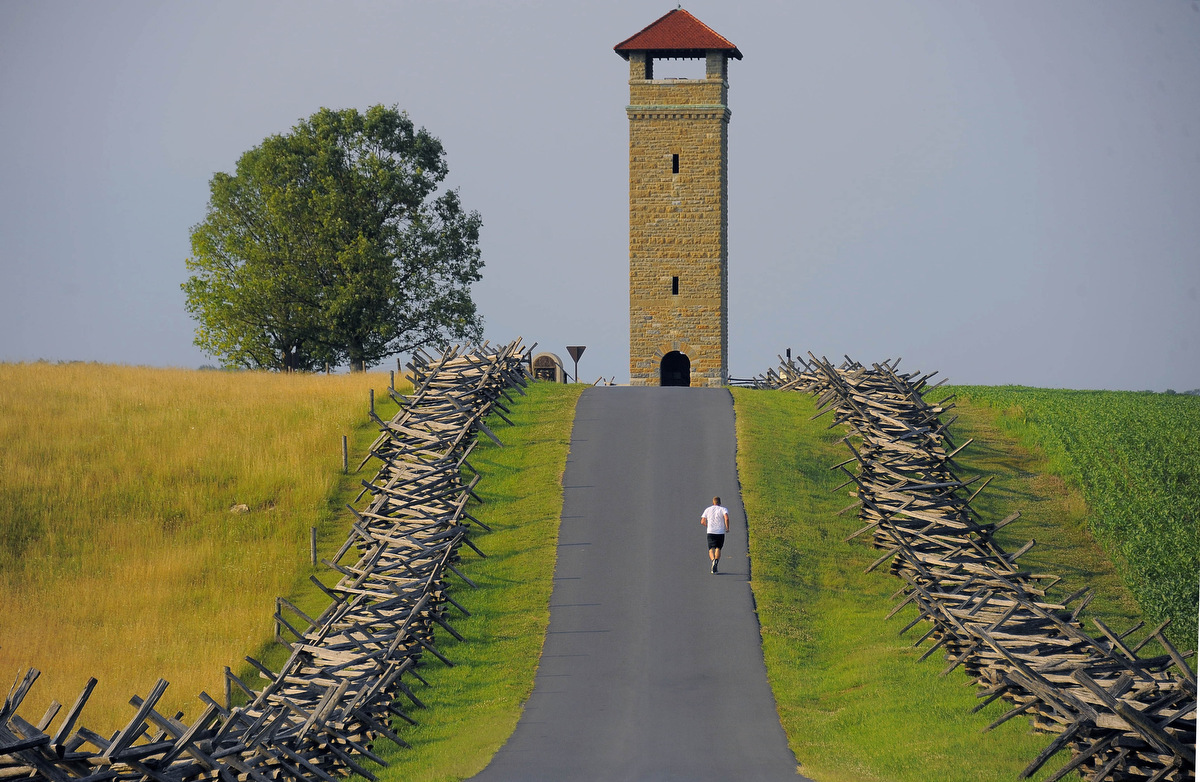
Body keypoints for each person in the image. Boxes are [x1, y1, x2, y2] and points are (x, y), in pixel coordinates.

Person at [701, 496, 730, 574]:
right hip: (720, 532)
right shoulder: (723, 509)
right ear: (720, 503)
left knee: (711, 548)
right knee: (718, 548)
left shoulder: (707, 509)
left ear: (713, 502)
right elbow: (726, 518)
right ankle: (716, 562)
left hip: (710, 531)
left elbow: (702, 521)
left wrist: (708, 526)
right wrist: (727, 528)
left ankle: (713, 560)